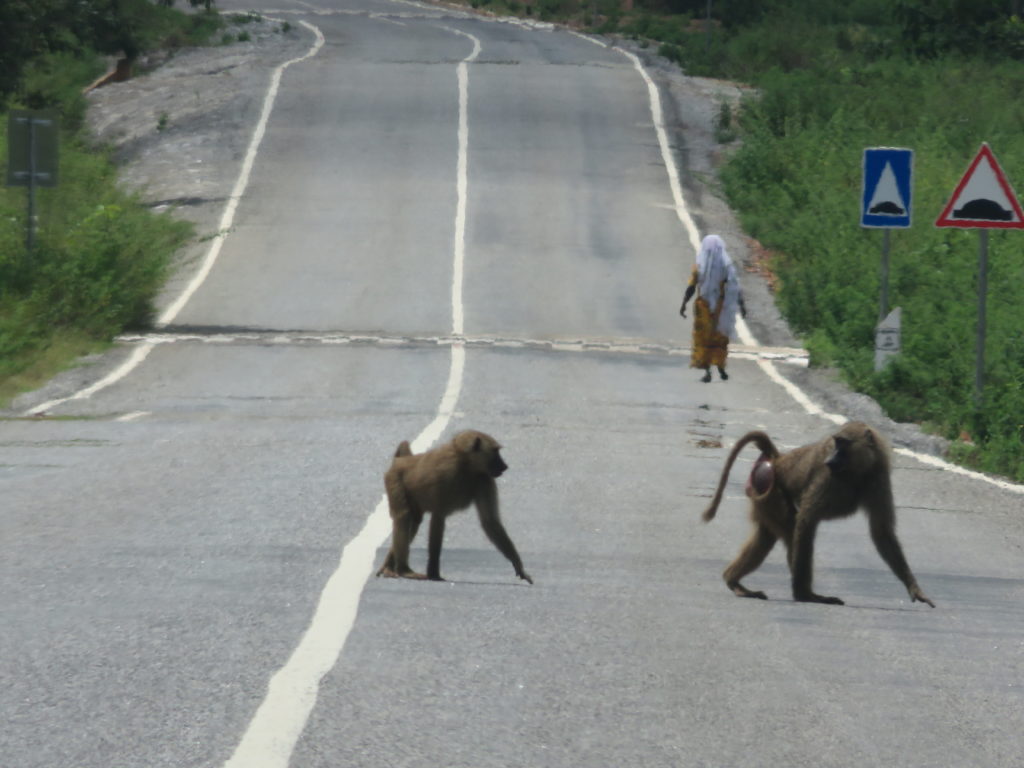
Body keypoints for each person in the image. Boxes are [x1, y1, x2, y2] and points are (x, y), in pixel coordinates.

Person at [679, 234, 747, 383]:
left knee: (703, 339)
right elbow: (735, 287)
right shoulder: (726, 265)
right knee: (720, 338)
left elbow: (692, 286)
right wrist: (741, 305)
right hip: (721, 309)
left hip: (703, 307)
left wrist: (684, 303)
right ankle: (720, 367)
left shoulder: (699, 266)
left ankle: (707, 371)